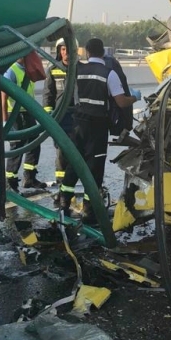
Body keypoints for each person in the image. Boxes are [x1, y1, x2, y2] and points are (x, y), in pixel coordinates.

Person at [64, 37, 140, 222]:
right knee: (95, 167)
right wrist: (134, 98)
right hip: (97, 127)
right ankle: (89, 211)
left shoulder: (78, 70)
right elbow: (121, 102)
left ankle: (63, 204)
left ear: (87, 52)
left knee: (74, 164)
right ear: (103, 53)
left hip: (78, 124)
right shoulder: (109, 73)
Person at [1, 58, 47, 192]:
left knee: (34, 144)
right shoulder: (12, 71)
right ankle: (10, 183)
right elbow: (3, 95)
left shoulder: (28, 69)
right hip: (15, 114)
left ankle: (29, 178)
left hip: (27, 112)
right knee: (16, 147)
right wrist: (5, 120)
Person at [43, 38, 77, 204]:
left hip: (76, 117)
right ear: (59, 51)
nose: (66, 53)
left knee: (77, 151)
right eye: (63, 50)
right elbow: (48, 95)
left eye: (68, 49)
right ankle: (61, 185)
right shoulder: (53, 69)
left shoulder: (79, 69)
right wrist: (48, 116)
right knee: (61, 153)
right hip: (60, 118)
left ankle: (73, 184)